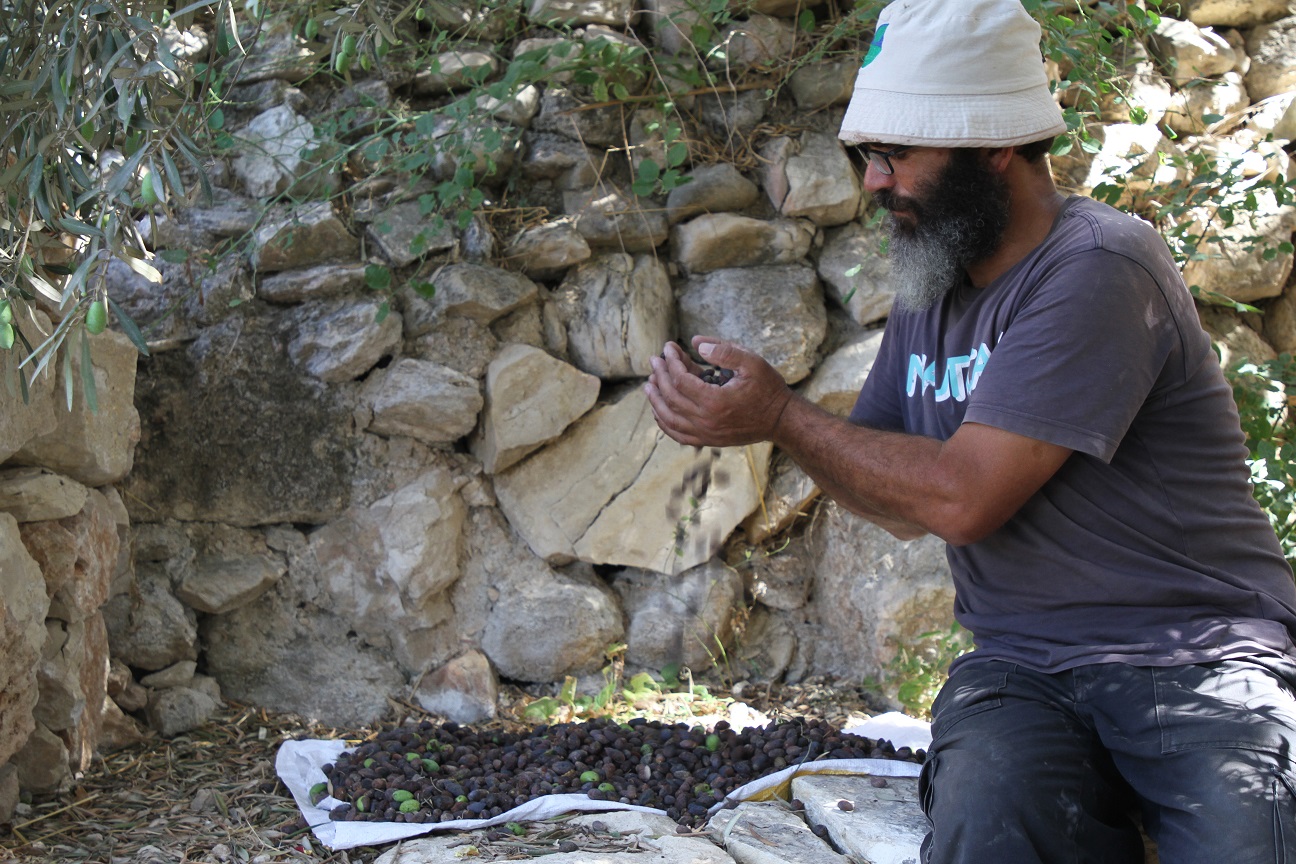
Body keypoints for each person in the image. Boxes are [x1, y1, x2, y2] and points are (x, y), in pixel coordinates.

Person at [644, 0, 1296, 861]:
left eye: (897, 155)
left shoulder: (1098, 265)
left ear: (995, 144)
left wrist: (780, 415)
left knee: (1250, 837)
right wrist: (774, 425)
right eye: (869, 157)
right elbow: (895, 494)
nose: (874, 181)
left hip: (1198, 652)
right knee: (990, 821)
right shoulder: (935, 283)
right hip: (1021, 665)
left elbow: (959, 499)